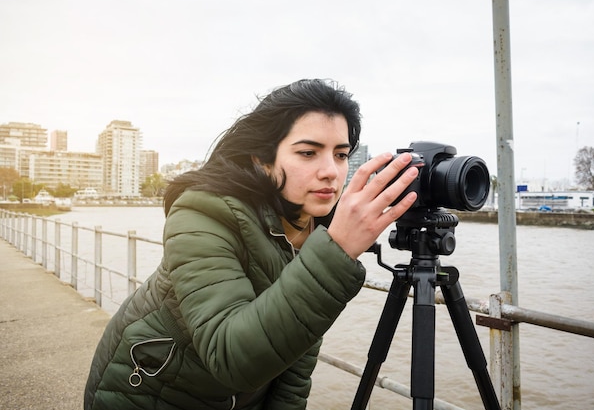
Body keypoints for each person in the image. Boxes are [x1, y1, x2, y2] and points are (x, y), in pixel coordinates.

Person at [84, 78, 419, 410]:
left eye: (341, 154)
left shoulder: (317, 229)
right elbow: (229, 358)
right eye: (308, 153)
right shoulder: (202, 212)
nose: (331, 171)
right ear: (263, 159)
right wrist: (338, 250)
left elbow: (296, 364)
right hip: (145, 395)